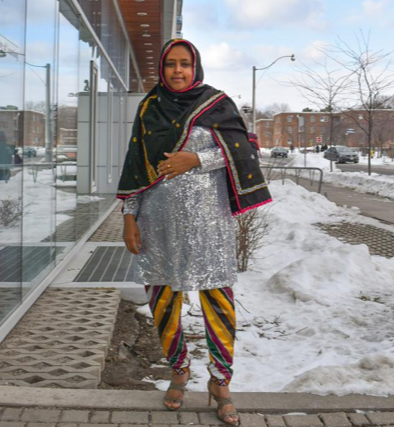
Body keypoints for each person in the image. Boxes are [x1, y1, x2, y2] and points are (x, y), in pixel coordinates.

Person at [117, 39, 272, 426]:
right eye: (171, 64)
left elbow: (244, 149)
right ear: (162, 68)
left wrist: (196, 159)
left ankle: (220, 382)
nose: (178, 71)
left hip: (209, 225)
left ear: (195, 67)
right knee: (162, 301)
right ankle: (179, 370)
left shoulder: (215, 104)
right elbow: (136, 164)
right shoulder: (150, 108)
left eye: (184, 64)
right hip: (157, 222)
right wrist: (130, 216)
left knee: (218, 302)